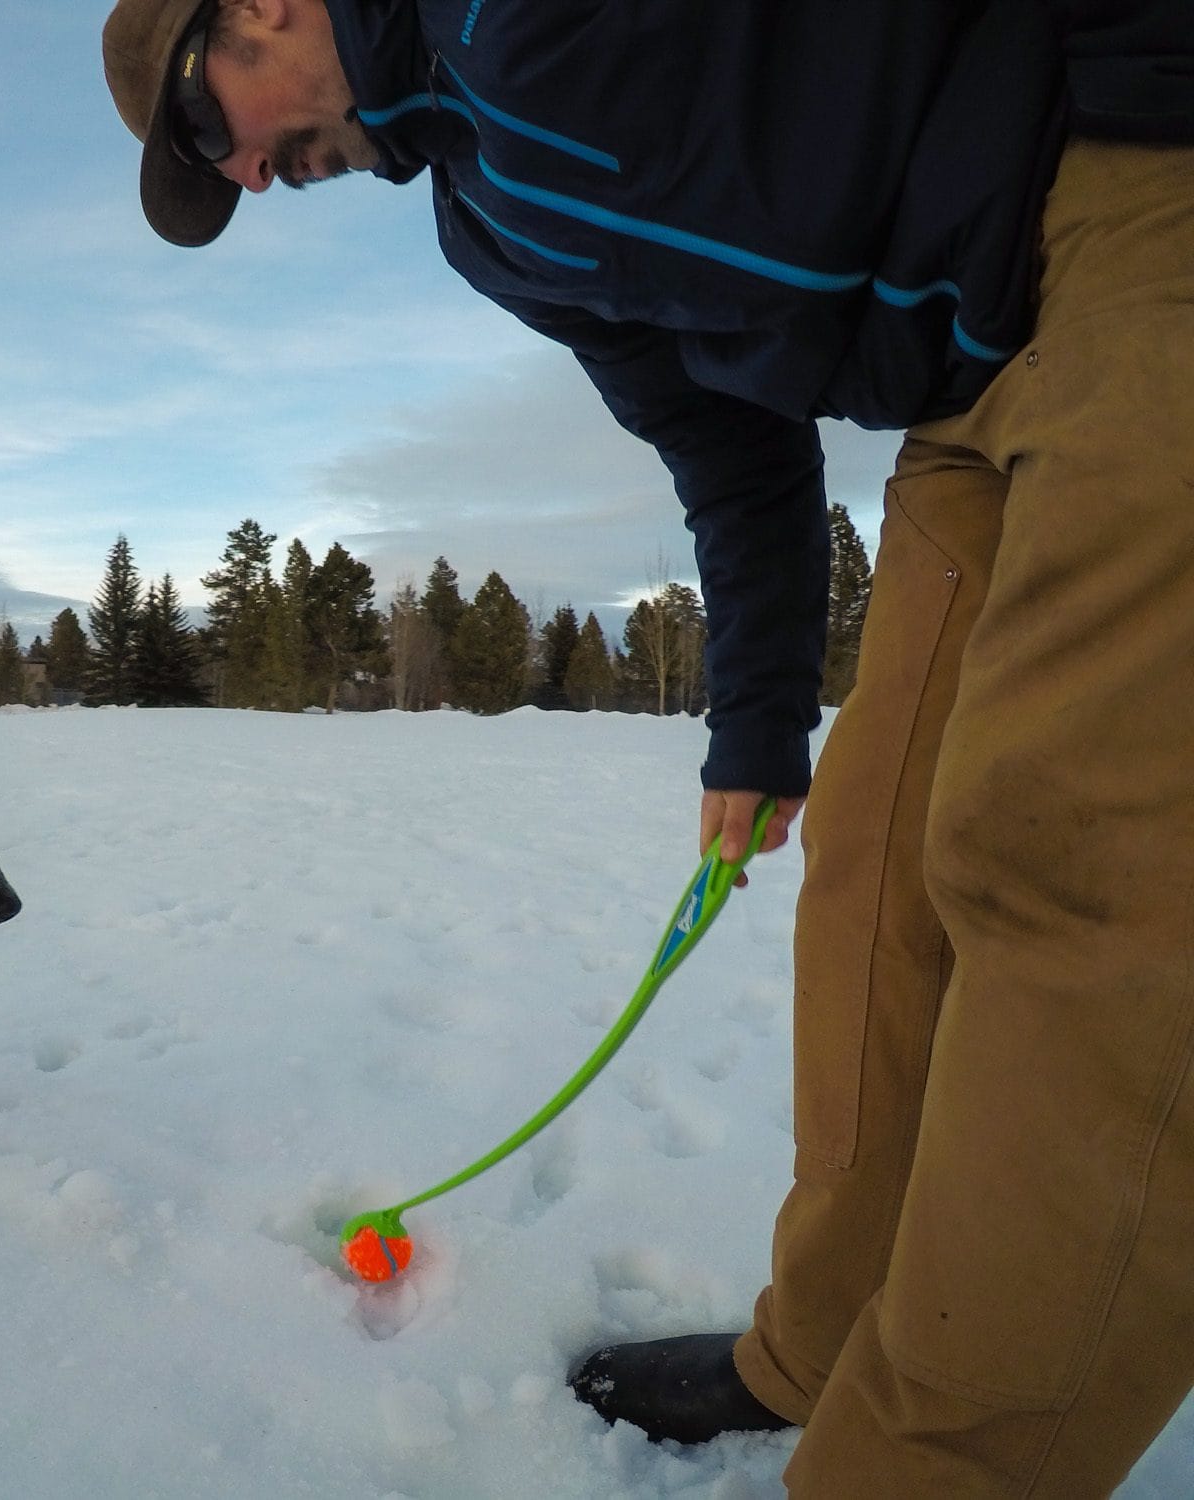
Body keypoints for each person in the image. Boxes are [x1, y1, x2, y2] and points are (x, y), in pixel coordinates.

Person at [103, 1, 1194, 1492]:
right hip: (969, 384)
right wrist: (753, 725)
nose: (240, 176)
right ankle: (823, 1340)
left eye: (202, 129)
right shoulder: (487, 227)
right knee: (879, 860)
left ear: (261, 9)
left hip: (1140, 183)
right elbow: (726, 443)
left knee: (1089, 885)